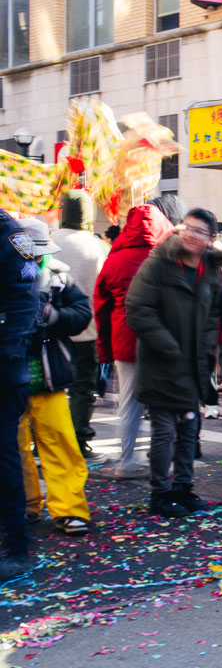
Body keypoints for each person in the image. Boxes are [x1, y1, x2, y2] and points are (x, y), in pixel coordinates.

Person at [125, 208, 222, 517]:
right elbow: (138, 308)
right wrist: (169, 347)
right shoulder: (159, 263)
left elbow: (212, 317)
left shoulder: (211, 271)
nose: (191, 235)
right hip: (162, 361)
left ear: (210, 240)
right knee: (164, 430)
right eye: (188, 228)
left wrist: (206, 348)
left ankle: (183, 487)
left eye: (200, 232)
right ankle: (160, 492)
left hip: (194, 363)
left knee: (189, 428)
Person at [16, 218, 93, 538]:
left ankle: (69, 508)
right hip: (11, 376)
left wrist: (55, 316)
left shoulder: (59, 275)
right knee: (12, 446)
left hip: (49, 374)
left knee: (59, 441)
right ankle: (23, 504)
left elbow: (82, 313)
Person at [94, 204, 176, 480]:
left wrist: (103, 349)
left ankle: (126, 461)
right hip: (164, 338)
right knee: (165, 403)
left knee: (129, 402)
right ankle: (164, 463)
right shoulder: (169, 256)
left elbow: (101, 308)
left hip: (125, 338)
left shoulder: (114, 260)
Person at [51, 190, 109, 460]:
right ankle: (79, 440)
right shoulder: (97, 245)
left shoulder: (49, 241)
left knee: (48, 388)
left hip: (50, 329)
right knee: (83, 387)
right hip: (87, 329)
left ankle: (45, 442)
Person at [0, 210, 42, 579]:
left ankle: (16, 547)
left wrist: (9, 350)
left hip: (2, 366)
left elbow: (25, 301)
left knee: (4, 458)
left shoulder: (13, 238)